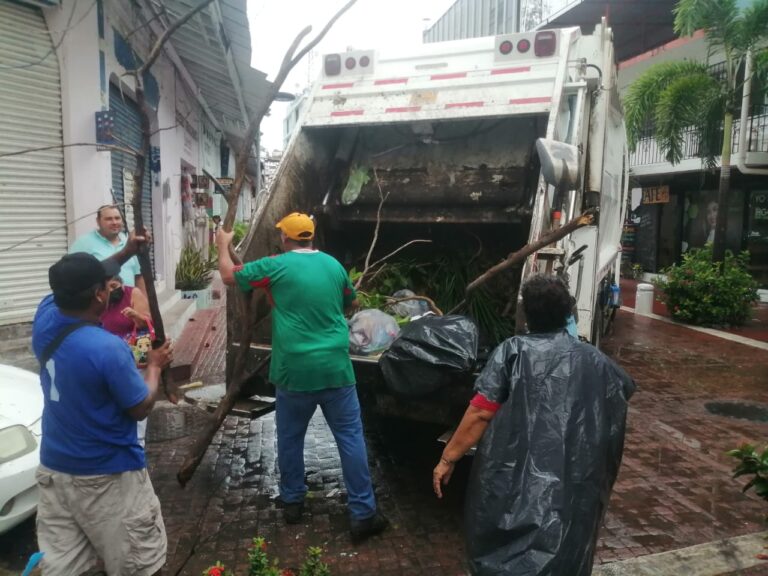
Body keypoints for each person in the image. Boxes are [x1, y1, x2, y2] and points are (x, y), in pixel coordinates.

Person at [433, 275, 635, 576]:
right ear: (568, 313)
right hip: (573, 478)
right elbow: (620, 394)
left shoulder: (511, 352)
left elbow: (480, 413)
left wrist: (447, 458)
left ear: (527, 314)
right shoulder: (595, 360)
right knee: (567, 547)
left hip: (516, 477)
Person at [216, 212, 388, 542]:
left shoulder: (274, 265)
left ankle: (293, 502)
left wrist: (224, 245)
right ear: (311, 237)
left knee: (290, 438)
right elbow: (349, 303)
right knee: (350, 439)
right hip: (336, 368)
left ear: (286, 238)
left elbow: (227, 275)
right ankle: (363, 514)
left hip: (294, 372)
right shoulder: (334, 266)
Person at [32, 233, 173, 576]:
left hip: (55, 470)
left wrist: (127, 251)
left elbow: (94, 275)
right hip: (107, 476)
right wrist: (154, 365)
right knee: (138, 565)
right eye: (106, 284)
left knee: (64, 568)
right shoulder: (108, 349)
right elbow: (139, 407)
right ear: (100, 293)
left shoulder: (45, 319)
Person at [101, 274, 152, 447]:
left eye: (114, 285)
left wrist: (136, 317)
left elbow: (147, 323)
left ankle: (138, 441)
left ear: (121, 284)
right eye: (107, 288)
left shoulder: (133, 294)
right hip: (109, 358)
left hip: (134, 355)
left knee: (136, 397)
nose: (111, 291)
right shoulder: (101, 302)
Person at [70, 204, 145, 291]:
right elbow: (72, 277)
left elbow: (138, 276)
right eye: (109, 219)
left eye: (117, 218)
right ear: (98, 221)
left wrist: (144, 302)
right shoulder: (82, 243)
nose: (114, 222)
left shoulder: (129, 242)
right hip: (100, 302)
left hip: (129, 301)